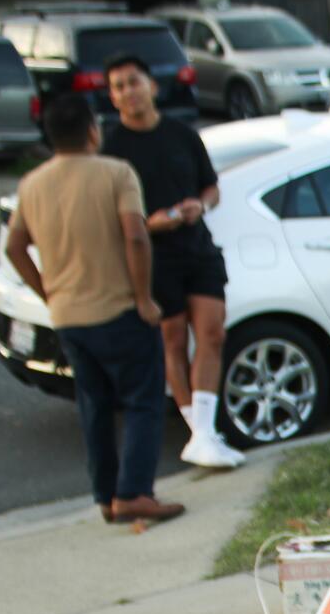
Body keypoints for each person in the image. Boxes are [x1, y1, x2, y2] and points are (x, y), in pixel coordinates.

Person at [5, 94, 184, 525]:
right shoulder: (116, 173)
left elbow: (15, 247)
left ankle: (106, 496)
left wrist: (48, 292)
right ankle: (135, 493)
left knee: (95, 407)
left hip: (69, 318)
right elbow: (136, 237)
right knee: (143, 401)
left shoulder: (32, 184)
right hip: (118, 310)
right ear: (91, 130)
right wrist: (144, 298)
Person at [102, 52, 245, 469]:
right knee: (174, 341)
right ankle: (200, 433)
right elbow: (113, 218)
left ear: (152, 86)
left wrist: (199, 206)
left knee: (213, 333)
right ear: (113, 98)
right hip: (151, 254)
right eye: (119, 86)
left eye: (134, 81)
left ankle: (203, 434)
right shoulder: (113, 150)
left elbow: (211, 187)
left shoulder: (182, 134)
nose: (129, 92)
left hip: (196, 247)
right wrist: (151, 224)